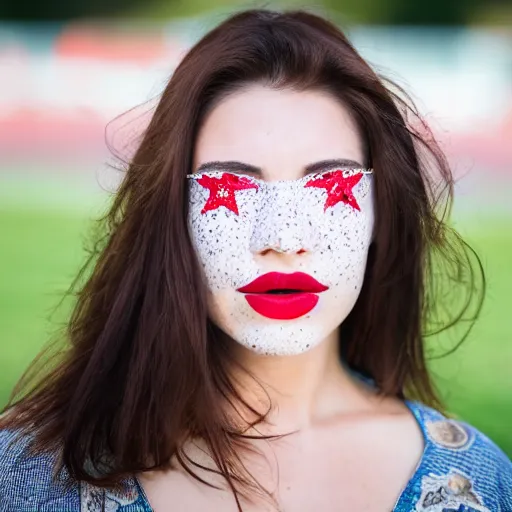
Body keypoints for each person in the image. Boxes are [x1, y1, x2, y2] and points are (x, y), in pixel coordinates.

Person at [0, 9, 510, 512]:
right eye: (232, 186)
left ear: (382, 212)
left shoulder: (483, 486)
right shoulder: (30, 474)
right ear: (172, 219)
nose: (284, 240)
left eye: (329, 185)